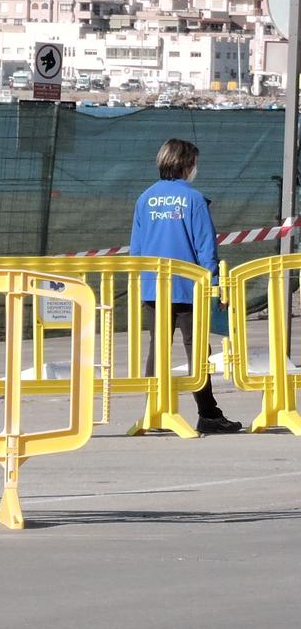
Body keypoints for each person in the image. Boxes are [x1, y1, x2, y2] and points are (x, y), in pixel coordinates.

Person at [131, 137, 239, 435]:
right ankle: (208, 414)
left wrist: (144, 284)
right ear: (187, 165)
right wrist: (215, 283)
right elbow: (206, 246)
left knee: (158, 348)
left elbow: (137, 249)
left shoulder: (145, 199)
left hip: (154, 287)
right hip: (189, 288)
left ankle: (155, 409)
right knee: (196, 350)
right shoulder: (193, 199)